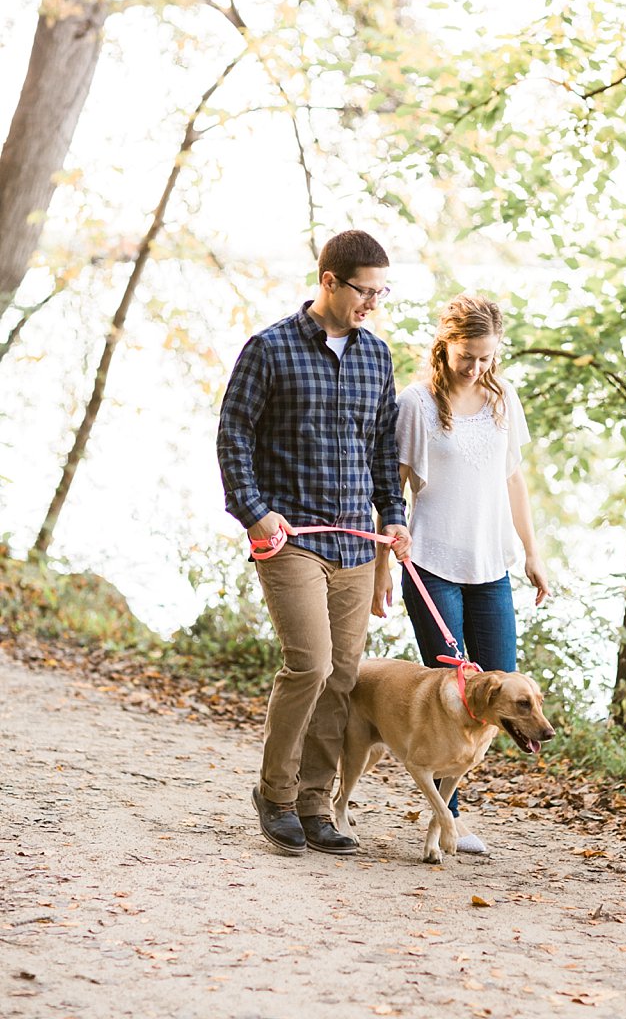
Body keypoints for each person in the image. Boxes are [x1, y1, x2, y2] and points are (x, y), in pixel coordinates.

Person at [217, 230, 411, 857]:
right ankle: (274, 795)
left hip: (356, 542)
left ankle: (314, 803)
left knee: (345, 676)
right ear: (329, 280)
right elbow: (233, 437)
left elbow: (383, 447)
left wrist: (394, 516)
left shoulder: (376, 357)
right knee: (311, 664)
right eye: (366, 291)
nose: (373, 305)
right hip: (290, 538)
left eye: (382, 293)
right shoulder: (268, 350)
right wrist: (254, 513)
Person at [372, 294, 549, 854]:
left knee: (503, 691)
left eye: (486, 357)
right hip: (430, 564)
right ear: (445, 344)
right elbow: (392, 492)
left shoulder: (502, 400)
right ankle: (448, 822)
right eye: (467, 355)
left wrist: (532, 552)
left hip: (490, 566)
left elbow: (514, 482)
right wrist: (382, 568)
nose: (477, 367)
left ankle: (447, 819)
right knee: (450, 695)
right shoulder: (415, 403)